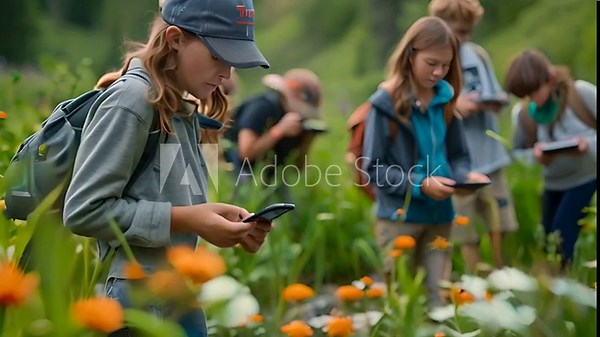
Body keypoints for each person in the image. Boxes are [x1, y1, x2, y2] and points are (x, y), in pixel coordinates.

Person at [63, 0, 272, 336]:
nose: (226, 74)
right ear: (175, 38)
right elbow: (84, 210)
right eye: (218, 56)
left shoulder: (179, 107)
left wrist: (219, 224)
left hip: (176, 294)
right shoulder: (131, 101)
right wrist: (190, 219)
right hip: (134, 300)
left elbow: (178, 205)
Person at [361, 16, 490, 308]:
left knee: (437, 300)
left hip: (440, 217)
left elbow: (458, 155)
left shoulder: (446, 100)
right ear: (410, 55)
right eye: (431, 63)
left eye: (445, 65)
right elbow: (374, 169)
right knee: (402, 303)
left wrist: (464, 178)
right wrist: (419, 184)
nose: (438, 72)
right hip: (399, 220)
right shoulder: (384, 105)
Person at [428, 0, 519, 272]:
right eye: (457, 31)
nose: (462, 39)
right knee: (463, 229)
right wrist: (455, 108)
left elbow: (494, 90)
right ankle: (474, 276)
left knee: (500, 221)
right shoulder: (433, 61)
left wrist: (494, 101)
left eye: (467, 32)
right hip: (457, 162)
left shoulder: (476, 55)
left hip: (490, 155)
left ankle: (500, 272)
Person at [504, 48, 596, 268]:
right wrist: (536, 156)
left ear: (550, 78)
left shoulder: (581, 94)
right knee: (548, 237)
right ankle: (557, 284)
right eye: (525, 95)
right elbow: (517, 153)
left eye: (534, 91)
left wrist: (587, 145)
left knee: (563, 232)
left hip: (586, 177)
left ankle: (567, 288)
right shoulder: (523, 114)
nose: (531, 99)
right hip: (553, 182)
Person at [223, 68, 326, 200]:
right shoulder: (262, 107)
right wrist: (279, 131)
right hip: (241, 169)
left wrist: (307, 137)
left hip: (271, 172)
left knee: (288, 207)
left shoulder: (297, 120)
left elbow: (298, 167)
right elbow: (245, 152)